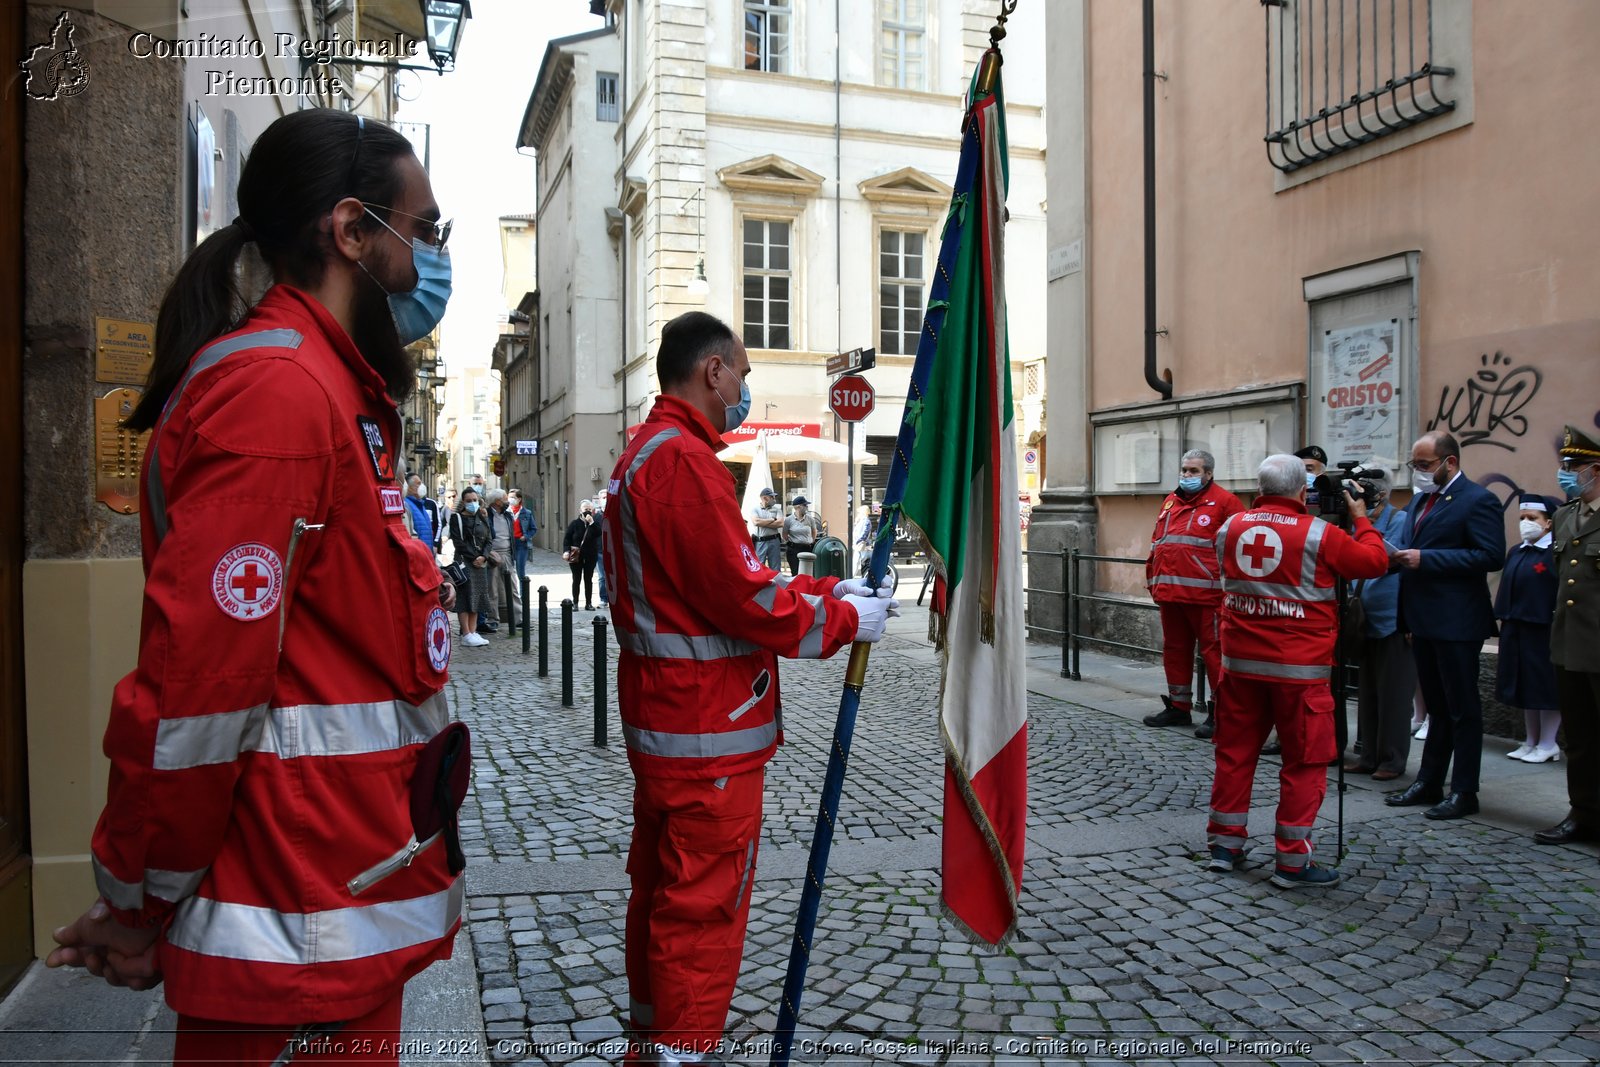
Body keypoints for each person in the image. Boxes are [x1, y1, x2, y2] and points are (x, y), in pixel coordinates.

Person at [44, 109, 463, 1062]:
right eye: (425, 230)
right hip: (293, 920)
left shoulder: (332, 388)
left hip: (332, 899)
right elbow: (199, 694)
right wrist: (141, 896)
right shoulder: (280, 396)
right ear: (352, 231)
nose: (432, 259)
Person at [602, 311, 898, 1065]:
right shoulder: (684, 462)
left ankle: (655, 1037)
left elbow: (720, 586)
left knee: (663, 894)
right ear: (712, 372)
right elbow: (743, 598)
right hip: (706, 734)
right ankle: (682, 1050)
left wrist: (830, 587)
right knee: (703, 904)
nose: (747, 388)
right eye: (743, 373)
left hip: (672, 724)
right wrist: (839, 619)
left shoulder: (649, 450)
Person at [1205, 454, 1390, 889]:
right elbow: (1374, 563)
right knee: (1305, 762)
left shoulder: (1230, 528)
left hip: (1240, 666)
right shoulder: (1319, 534)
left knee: (1234, 755)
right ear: (1302, 489)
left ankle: (1223, 846)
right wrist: (1362, 519)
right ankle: (1291, 861)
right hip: (1299, 671)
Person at [1384, 430, 1506, 820]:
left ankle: (1465, 790)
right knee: (1436, 705)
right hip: (1422, 618)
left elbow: (1489, 555)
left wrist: (1428, 559)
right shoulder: (1421, 499)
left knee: (1462, 708)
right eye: (1414, 465)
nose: (1418, 472)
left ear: (1449, 462)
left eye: (1423, 465)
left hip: (1458, 620)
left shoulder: (1478, 499)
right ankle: (1429, 780)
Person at [1142, 448, 1243, 737]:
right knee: (1174, 652)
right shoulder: (1170, 502)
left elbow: (1236, 550)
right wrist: (1153, 581)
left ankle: (1218, 713)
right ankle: (1178, 707)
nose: (1187, 475)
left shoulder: (1226, 502)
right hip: (1170, 594)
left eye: (1194, 471)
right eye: (1184, 470)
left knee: (1215, 655)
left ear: (1208, 474)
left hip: (1208, 597)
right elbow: (1158, 543)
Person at [1534, 425, 1600, 846]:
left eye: (1574, 466)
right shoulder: (1563, 515)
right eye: (1564, 465)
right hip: (1569, 644)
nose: (1566, 472)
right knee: (1579, 737)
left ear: (1596, 470)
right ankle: (1583, 813)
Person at [1344, 470, 1415, 781]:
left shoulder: (1400, 519)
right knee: (1367, 692)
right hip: (1363, 618)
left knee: (1394, 694)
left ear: (1381, 495)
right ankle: (1368, 754)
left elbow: (1392, 559)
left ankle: (1392, 759)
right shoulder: (1355, 521)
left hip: (1392, 618)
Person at [1496, 494, 1562, 763]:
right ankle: (1530, 740)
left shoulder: (1554, 552)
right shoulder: (1517, 551)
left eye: (1532, 519)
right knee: (1524, 685)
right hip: (1516, 625)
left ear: (1547, 523)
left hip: (1542, 627)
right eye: (1522, 518)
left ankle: (1548, 743)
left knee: (1545, 686)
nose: (1526, 523)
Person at [452, 486, 494, 646]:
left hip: (480, 562)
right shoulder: (457, 518)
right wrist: (475, 557)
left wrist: (484, 556)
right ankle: (466, 633)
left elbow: (489, 539)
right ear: (463, 502)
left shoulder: (482, 516)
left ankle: (474, 631)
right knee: (465, 596)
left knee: (478, 596)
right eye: (469, 501)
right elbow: (458, 542)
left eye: (475, 500)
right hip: (465, 561)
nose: (472, 503)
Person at [484, 487, 516, 630]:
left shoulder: (508, 516)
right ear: (497, 502)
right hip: (493, 555)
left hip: (508, 554)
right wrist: (489, 553)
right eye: (504, 499)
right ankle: (493, 619)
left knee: (514, 587)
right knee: (492, 589)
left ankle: (518, 618)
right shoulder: (486, 515)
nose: (507, 501)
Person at [564, 500, 603, 609]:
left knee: (588, 579)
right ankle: (575, 603)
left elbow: (599, 533)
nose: (588, 511)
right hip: (576, 555)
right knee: (576, 579)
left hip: (590, 555)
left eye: (590, 509)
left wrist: (591, 523)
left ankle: (588, 603)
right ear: (580, 510)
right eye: (586, 509)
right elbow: (567, 539)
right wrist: (566, 551)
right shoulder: (574, 524)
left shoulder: (595, 523)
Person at [783, 496, 823, 576]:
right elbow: (785, 535)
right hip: (794, 549)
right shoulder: (789, 520)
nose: (807, 507)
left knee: (808, 574)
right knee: (795, 573)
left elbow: (814, 531)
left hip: (807, 548)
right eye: (805, 505)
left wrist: (811, 541)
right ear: (798, 507)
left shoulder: (810, 519)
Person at [749, 487, 784, 571]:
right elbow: (756, 522)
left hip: (774, 541)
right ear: (765, 498)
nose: (774, 499)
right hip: (760, 541)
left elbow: (780, 523)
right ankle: (761, 584)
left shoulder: (777, 509)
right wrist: (772, 520)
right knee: (759, 566)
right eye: (772, 497)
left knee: (775, 567)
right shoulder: (755, 509)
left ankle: (776, 584)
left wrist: (763, 523)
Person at [509, 488, 536, 590]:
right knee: (508, 571)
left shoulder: (527, 513)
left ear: (519, 499)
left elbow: (533, 529)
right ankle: (510, 595)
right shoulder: (506, 513)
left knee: (521, 571)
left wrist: (526, 536)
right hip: (509, 544)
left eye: (513, 497)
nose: (511, 500)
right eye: (509, 497)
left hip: (521, 544)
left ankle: (523, 596)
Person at [404, 472, 438, 552]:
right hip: (419, 554)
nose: (422, 486)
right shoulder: (407, 505)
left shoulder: (420, 505)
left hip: (426, 553)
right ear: (408, 487)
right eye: (418, 484)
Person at [852, 503, 876, 576]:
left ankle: (851, 577)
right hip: (859, 544)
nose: (858, 513)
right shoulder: (861, 521)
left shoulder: (866, 521)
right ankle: (852, 576)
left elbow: (865, 533)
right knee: (857, 562)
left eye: (860, 512)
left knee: (858, 562)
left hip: (861, 545)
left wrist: (858, 541)